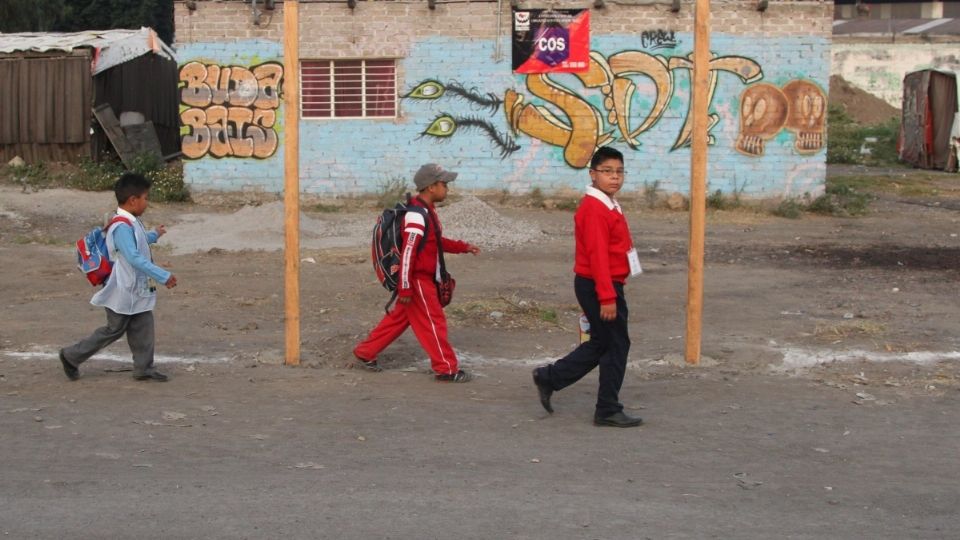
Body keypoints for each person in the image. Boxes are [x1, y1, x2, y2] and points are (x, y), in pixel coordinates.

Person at [531, 146, 644, 427]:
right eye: (607, 172)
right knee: (616, 344)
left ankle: (550, 378)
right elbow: (597, 257)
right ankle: (606, 408)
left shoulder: (607, 203)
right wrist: (607, 296)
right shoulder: (594, 208)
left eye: (619, 172)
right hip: (598, 285)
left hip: (603, 284)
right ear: (593, 174)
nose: (614, 177)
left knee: (603, 342)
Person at [354, 163, 480, 382]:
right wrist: (405, 286)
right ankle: (446, 369)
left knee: (398, 320)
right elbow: (409, 253)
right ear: (431, 187)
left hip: (418, 280)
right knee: (433, 322)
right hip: (418, 280)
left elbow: (434, 243)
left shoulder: (425, 212)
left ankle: (365, 352)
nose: (447, 189)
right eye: (444, 184)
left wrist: (463, 247)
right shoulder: (416, 216)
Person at [59, 172, 178, 382]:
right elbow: (133, 256)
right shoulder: (122, 225)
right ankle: (71, 356)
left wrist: (154, 235)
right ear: (133, 200)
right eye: (145, 198)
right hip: (122, 288)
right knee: (114, 329)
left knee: (143, 323)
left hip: (134, 288)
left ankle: (143, 367)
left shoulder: (130, 222)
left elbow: (138, 241)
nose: (147, 202)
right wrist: (163, 275)